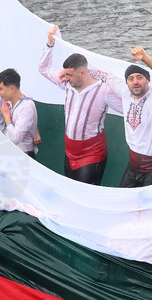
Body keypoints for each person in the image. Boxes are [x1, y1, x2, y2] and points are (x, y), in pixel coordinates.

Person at [39, 25, 118, 185]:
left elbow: (129, 106)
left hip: (92, 151)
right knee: (72, 189)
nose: (65, 77)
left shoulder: (104, 90)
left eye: (70, 74)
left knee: (87, 192)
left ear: (83, 73)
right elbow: (44, 68)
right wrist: (50, 44)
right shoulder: (67, 83)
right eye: (65, 73)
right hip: (70, 149)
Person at [105, 47, 152, 186]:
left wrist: (145, 58)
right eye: (131, 79)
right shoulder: (125, 92)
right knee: (125, 200)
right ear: (127, 83)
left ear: (148, 81)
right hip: (134, 165)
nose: (135, 81)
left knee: (149, 206)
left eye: (139, 77)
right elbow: (107, 77)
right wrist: (86, 72)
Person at [0, 68, 38, 157]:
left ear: (12, 89)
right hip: (12, 152)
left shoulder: (26, 107)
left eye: (0, 89)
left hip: (23, 155)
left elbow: (15, 138)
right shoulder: (11, 102)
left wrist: (7, 117)